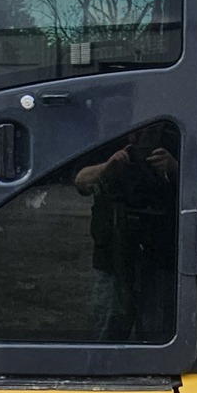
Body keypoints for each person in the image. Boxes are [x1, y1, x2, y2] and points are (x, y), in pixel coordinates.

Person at [73, 122, 179, 341]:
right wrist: (106, 168)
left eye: (152, 132)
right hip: (112, 254)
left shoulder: (178, 137)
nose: (144, 138)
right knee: (107, 329)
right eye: (138, 132)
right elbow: (80, 182)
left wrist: (175, 168)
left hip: (160, 255)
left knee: (155, 331)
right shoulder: (108, 137)